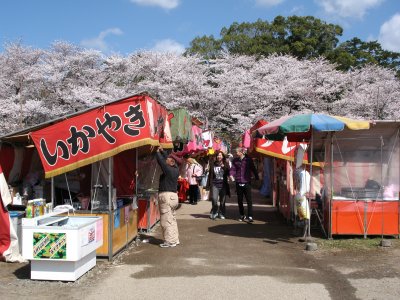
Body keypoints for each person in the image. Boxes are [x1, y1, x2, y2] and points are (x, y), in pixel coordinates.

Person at [155, 145, 180, 248]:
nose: (166, 160)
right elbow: (166, 159)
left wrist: (157, 152)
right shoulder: (176, 169)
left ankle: (169, 241)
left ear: (171, 162)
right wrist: (163, 151)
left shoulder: (168, 169)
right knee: (172, 219)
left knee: (166, 220)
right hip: (174, 196)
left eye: (168, 160)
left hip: (167, 196)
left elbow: (161, 162)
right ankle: (175, 239)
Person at [230, 147, 259, 222]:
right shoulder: (235, 160)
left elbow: (253, 168)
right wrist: (231, 175)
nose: (236, 153)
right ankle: (242, 215)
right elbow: (233, 169)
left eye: (237, 152)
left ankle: (250, 216)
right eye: (236, 152)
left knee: (249, 200)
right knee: (240, 200)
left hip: (247, 182)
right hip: (238, 181)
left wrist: (256, 177)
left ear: (242, 152)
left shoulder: (248, 160)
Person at [207, 151, 230, 220]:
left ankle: (221, 213)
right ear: (216, 157)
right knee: (214, 199)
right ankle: (214, 211)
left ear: (222, 156)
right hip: (215, 184)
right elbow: (210, 176)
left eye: (220, 155)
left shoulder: (226, 164)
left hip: (223, 185)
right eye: (218, 155)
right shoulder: (212, 164)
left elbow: (229, 172)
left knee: (222, 201)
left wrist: (224, 167)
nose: (219, 156)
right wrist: (208, 186)